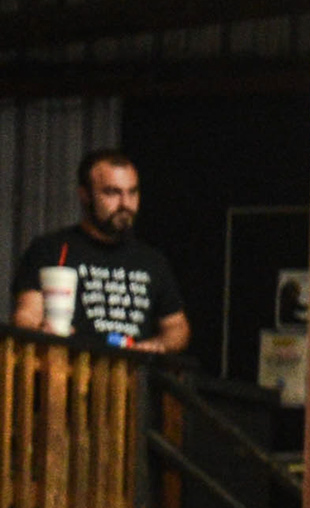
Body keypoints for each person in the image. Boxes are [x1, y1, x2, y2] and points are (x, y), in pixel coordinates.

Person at [14, 150, 189, 356]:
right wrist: (41, 331)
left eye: (132, 192)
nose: (125, 204)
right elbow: (26, 314)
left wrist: (157, 346)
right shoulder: (51, 248)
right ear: (85, 195)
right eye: (112, 193)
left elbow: (177, 327)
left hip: (129, 380)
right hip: (65, 373)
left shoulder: (152, 261)